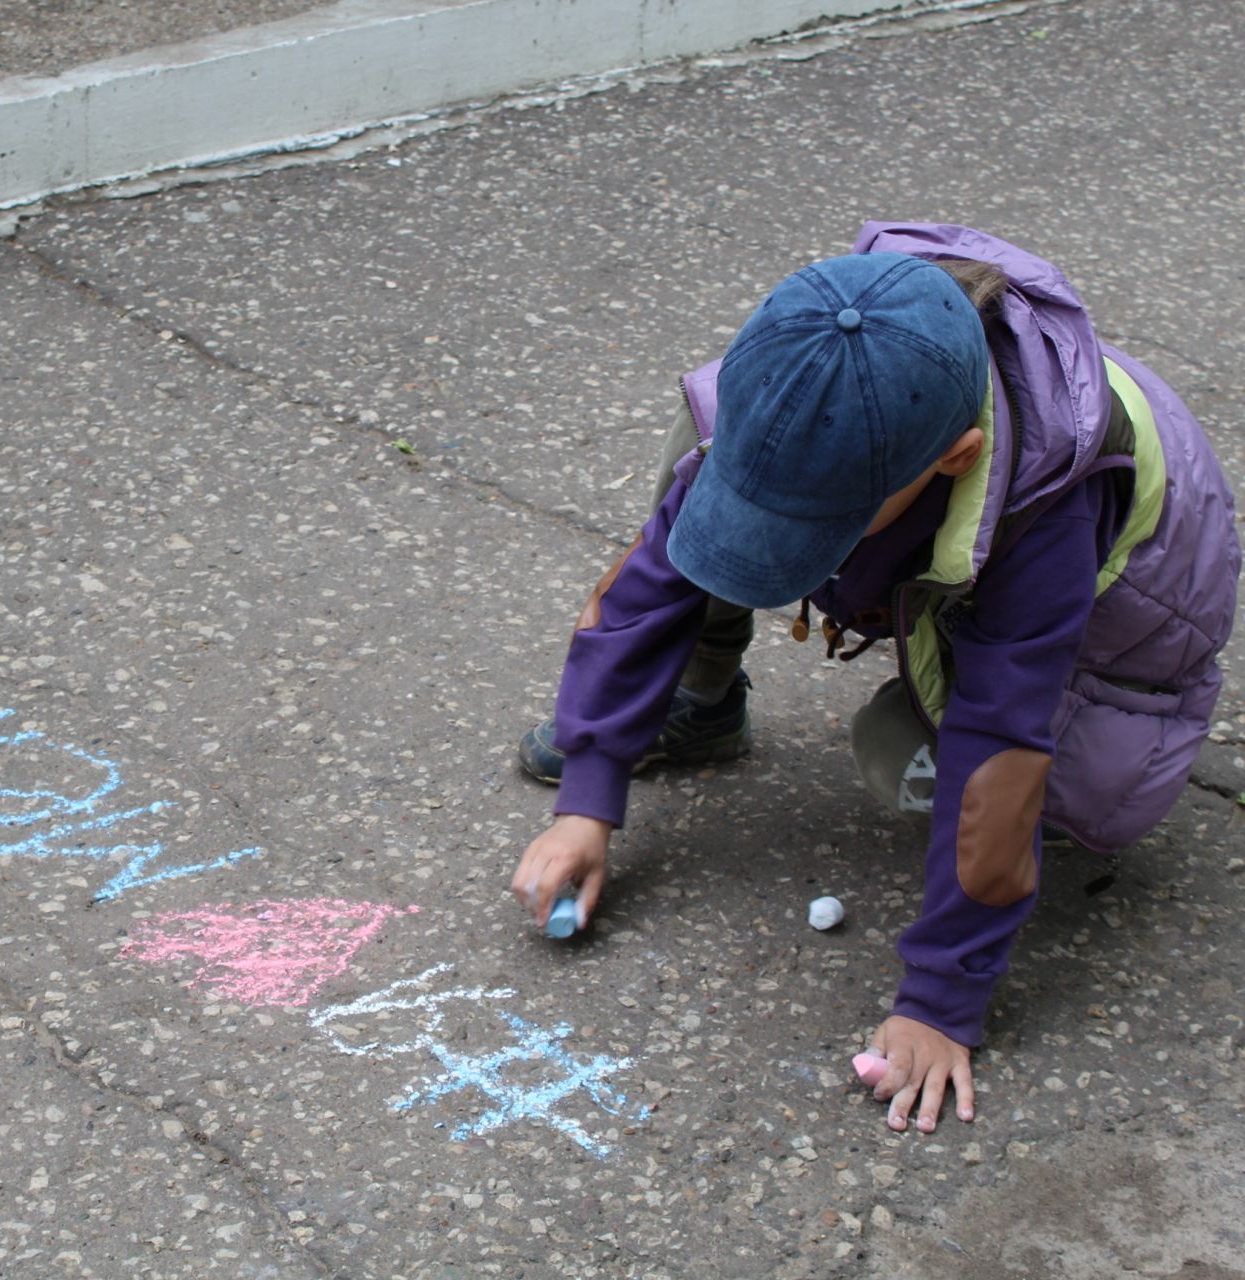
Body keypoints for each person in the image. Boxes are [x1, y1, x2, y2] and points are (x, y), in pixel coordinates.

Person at [510, 222, 1239, 1135]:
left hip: (1125, 621)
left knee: (928, 762)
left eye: (827, 523)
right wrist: (588, 791)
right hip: (944, 517)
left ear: (956, 459)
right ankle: (702, 704)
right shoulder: (824, 363)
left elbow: (1000, 741)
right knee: (700, 472)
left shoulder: (1049, 516)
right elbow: (649, 587)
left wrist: (942, 999)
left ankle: (913, 614)